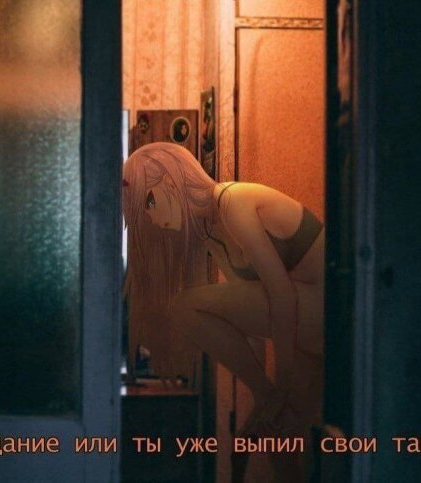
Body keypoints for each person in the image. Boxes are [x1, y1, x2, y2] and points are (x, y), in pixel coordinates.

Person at [123, 142, 324, 480]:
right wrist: (264, 401)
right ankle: (268, 400)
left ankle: (268, 395)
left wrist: (276, 388)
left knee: (186, 306)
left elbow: (281, 294)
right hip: (308, 328)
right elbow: (248, 315)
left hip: (325, 310)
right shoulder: (210, 232)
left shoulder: (233, 201)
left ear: (170, 181)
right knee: (279, 437)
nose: (151, 218)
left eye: (149, 203)